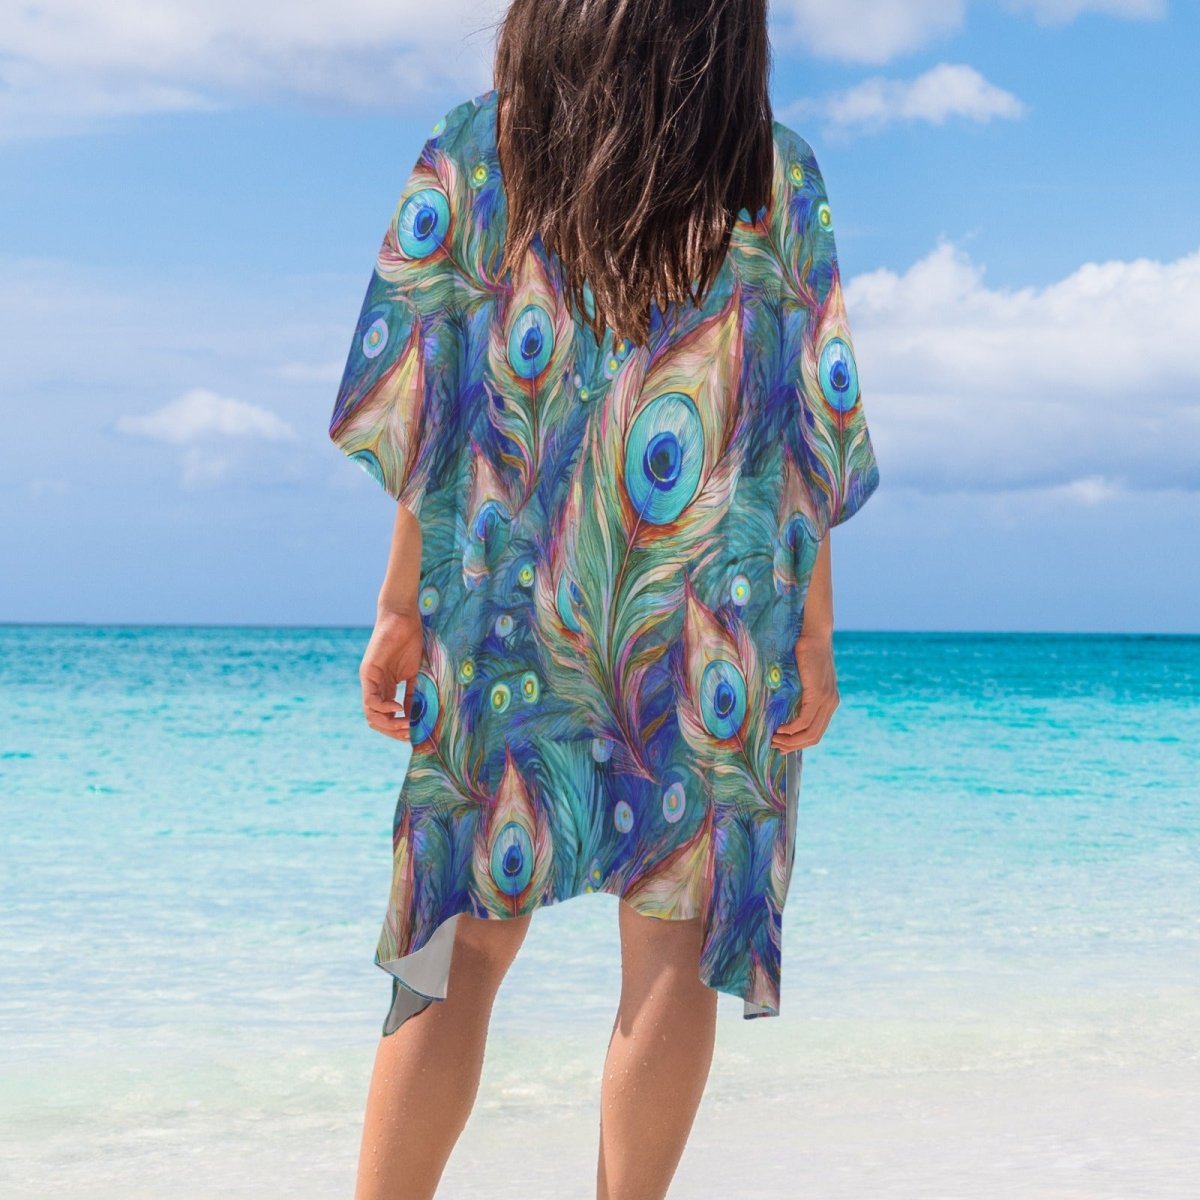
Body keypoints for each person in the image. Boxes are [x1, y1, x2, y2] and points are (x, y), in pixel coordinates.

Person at [327, 1, 880, 1196]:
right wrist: (817, 634)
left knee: (447, 944)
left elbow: (430, 415)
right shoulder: (769, 175)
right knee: (674, 946)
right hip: (710, 627)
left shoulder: (478, 151)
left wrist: (400, 608)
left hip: (498, 604)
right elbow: (803, 437)